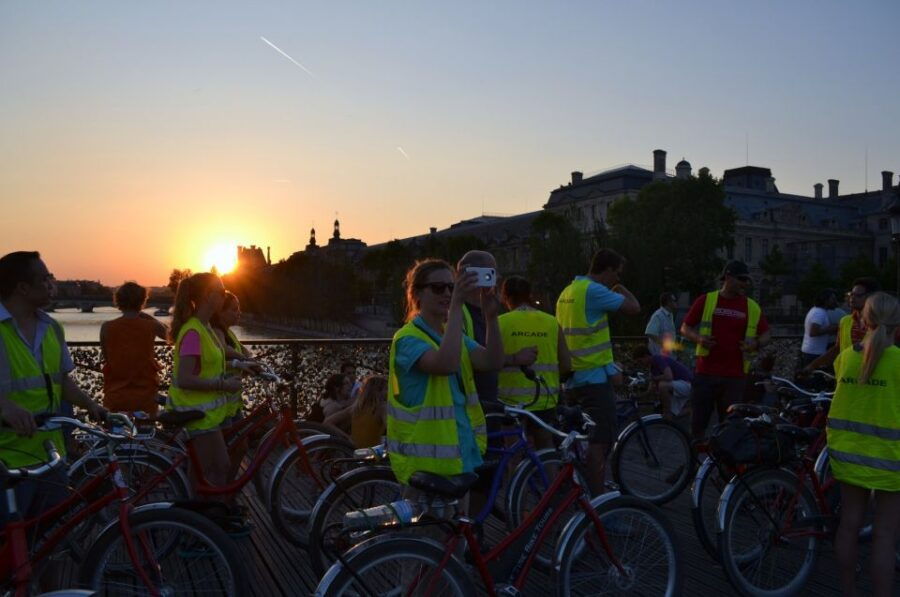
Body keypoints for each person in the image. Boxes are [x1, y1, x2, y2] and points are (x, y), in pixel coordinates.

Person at [0, 252, 106, 571]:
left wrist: (92, 405)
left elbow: (62, 382)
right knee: (10, 551)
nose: (52, 285)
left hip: (50, 456)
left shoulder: (52, 328)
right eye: (45, 278)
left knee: (50, 547)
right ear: (22, 287)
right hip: (7, 461)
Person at [386, 259, 503, 496]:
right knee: (426, 532)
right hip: (425, 465)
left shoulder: (451, 335)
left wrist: (491, 318)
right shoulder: (407, 339)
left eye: (452, 287)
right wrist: (458, 305)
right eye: (438, 288)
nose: (447, 293)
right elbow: (446, 364)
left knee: (458, 530)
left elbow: (492, 361)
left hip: (459, 454)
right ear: (417, 293)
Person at [826, 292, 900, 597]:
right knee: (884, 536)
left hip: (847, 456)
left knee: (848, 526)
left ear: (863, 319)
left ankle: (849, 591)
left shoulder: (845, 357)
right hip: (890, 461)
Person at [556, 248, 640, 495]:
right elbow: (634, 308)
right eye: (617, 274)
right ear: (609, 270)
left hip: (571, 378)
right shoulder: (594, 291)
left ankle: (581, 491)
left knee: (581, 439)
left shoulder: (568, 291)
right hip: (592, 379)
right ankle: (598, 502)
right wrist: (620, 289)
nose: (617, 279)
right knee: (599, 441)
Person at [167, 273, 242, 509]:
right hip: (196, 415)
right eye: (220, 291)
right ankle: (200, 527)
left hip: (207, 414)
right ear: (207, 297)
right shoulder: (192, 332)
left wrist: (246, 364)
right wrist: (224, 385)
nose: (224, 295)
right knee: (214, 470)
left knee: (215, 469)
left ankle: (204, 523)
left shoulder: (205, 328)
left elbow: (218, 359)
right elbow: (185, 377)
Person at [680, 260, 771, 442]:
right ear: (727, 277)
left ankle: (724, 469)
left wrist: (756, 344)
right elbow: (685, 327)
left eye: (747, 280)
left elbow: (766, 334)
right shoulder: (706, 300)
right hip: (705, 374)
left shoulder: (751, 306)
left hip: (735, 377)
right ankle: (693, 467)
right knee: (697, 426)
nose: (745, 283)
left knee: (730, 428)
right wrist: (699, 339)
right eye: (741, 279)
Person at [497, 275, 570, 450]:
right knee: (546, 450)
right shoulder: (552, 322)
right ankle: (550, 479)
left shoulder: (499, 323)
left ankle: (515, 478)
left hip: (510, 401)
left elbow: (490, 361)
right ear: (529, 294)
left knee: (512, 452)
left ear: (504, 297)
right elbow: (567, 364)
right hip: (545, 398)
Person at [802, 277, 899, 374]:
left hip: (877, 378)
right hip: (847, 377)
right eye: (851, 294)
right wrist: (812, 366)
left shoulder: (885, 324)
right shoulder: (845, 321)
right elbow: (837, 348)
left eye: (858, 295)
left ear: (872, 297)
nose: (852, 298)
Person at [100, 281, 167, 416]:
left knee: (115, 435)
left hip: (115, 394)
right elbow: (171, 336)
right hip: (145, 395)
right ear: (143, 301)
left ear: (118, 301)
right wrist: (149, 317)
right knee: (146, 435)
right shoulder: (150, 326)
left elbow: (107, 356)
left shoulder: (107, 327)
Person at [631, 345, 692, 421]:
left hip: (688, 383)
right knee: (673, 415)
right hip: (680, 385)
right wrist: (638, 397)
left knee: (662, 385)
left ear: (646, 356)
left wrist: (653, 379)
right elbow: (651, 390)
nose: (641, 364)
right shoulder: (652, 367)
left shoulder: (658, 359)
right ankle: (691, 409)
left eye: (640, 361)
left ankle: (667, 413)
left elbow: (669, 376)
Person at [799, 288, 838, 369]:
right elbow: (813, 332)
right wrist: (830, 329)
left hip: (811, 352)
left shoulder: (818, 311)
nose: (835, 301)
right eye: (833, 299)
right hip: (814, 354)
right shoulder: (819, 313)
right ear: (825, 300)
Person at [350, 375, 388, 449]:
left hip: (356, 452)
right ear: (379, 391)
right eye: (386, 389)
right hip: (373, 454)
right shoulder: (382, 408)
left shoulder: (357, 407)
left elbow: (329, 421)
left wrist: (345, 436)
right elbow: (393, 432)